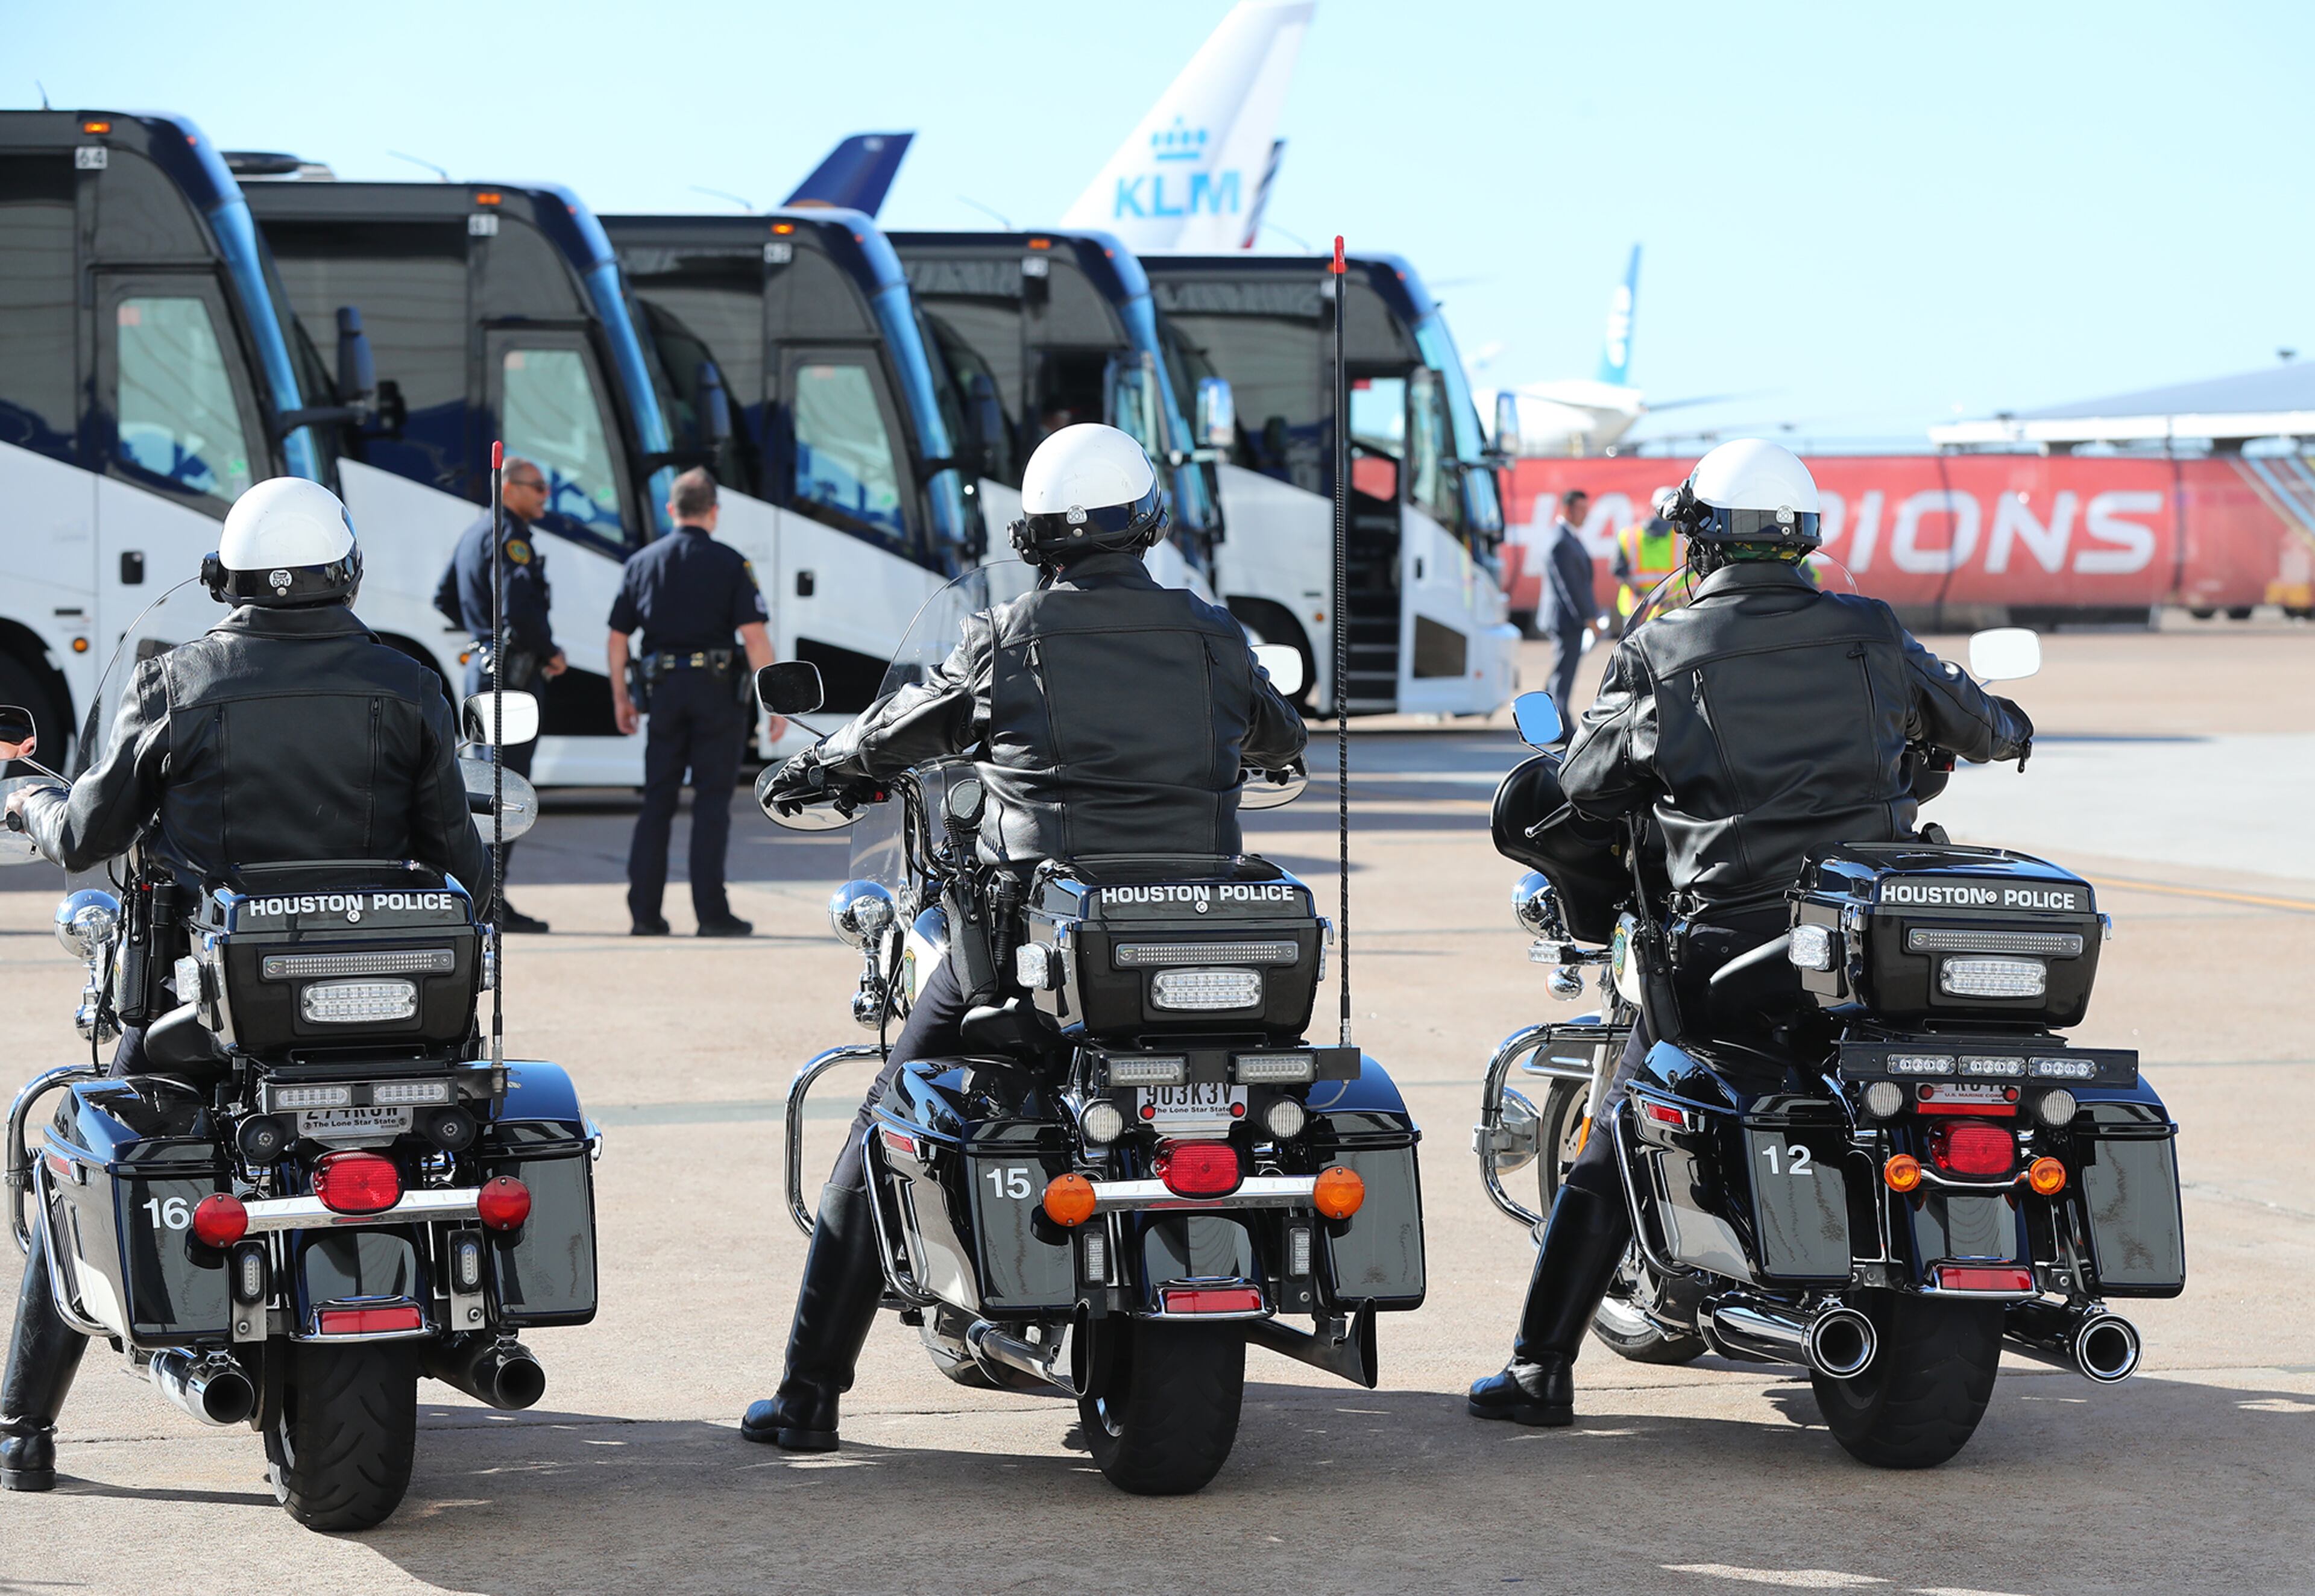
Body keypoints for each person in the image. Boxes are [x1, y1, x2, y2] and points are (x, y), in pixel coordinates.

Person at [742, 424, 1306, 1452]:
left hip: (1033, 960)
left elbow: (900, 731)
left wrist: (820, 765)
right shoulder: (1215, 634)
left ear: (1036, 537)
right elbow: (1281, 738)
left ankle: (807, 1394)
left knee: (883, 1127)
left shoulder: (1009, 636)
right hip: (1200, 951)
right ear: (1148, 525)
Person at [1467, 439, 2035, 1429]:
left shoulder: (1664, 647)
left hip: (1727, 956)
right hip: (1867, 948)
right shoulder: (1871, 630)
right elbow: (1986, 727)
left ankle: (1538, 1371)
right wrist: (2005, 723)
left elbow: (1585, 786)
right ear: (1805, 539)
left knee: (1615, 1135)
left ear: (1696, 537)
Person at [1, 478, 485, 1492]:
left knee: (73, 1151)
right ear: (347, 572)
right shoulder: (407, 683)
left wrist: (22, 793)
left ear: (229, 575)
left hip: (206, 1017)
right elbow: (465, 867)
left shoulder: (177, 681)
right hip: (396, 1015)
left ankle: (20, 1430)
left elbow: (85, 833)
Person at [606, 468, 778, 937]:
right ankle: (711, 914)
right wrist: (775, 702)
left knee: (657, 801)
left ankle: (645, 913)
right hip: (717, 695)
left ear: (672, 510)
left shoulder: (642, 562)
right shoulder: (731, 563)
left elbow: (618, 637)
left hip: (662, 694)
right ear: (714, 511)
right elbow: (755, 638)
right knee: (711, 804)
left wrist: (621, 696)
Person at [438, 454, 564, 934]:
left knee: (486, 786)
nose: (544, 498)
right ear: (509, 488)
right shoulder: (510, 536)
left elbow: (444, 596)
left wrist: (481, 634)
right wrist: (550, 652)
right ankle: (490, 903)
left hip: (486, 671)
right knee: (507, 792)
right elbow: (521, 609)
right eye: (538, 488)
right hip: (512, 678)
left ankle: (483, 898)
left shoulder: (474, 532)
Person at [1539, 489, 1608, 730]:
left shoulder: (1567, 537)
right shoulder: (1561, 541)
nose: (1586, 516)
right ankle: (1559, 726)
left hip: (1567, 618)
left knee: (1561, 671)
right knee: (1563, 674)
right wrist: (1589, 617)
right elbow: (1570, 586)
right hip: (1566, 620)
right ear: (1567, 509)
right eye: (1582, 510)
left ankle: (1546, 722)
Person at [1610, 487, 1684, 633]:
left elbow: (1618, 570)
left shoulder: (1629, 535)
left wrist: (1640, 594)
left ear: (1651, 506)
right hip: (1670, 607)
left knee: (1633, 652)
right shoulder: (1683, 538)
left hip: (1638, 608)